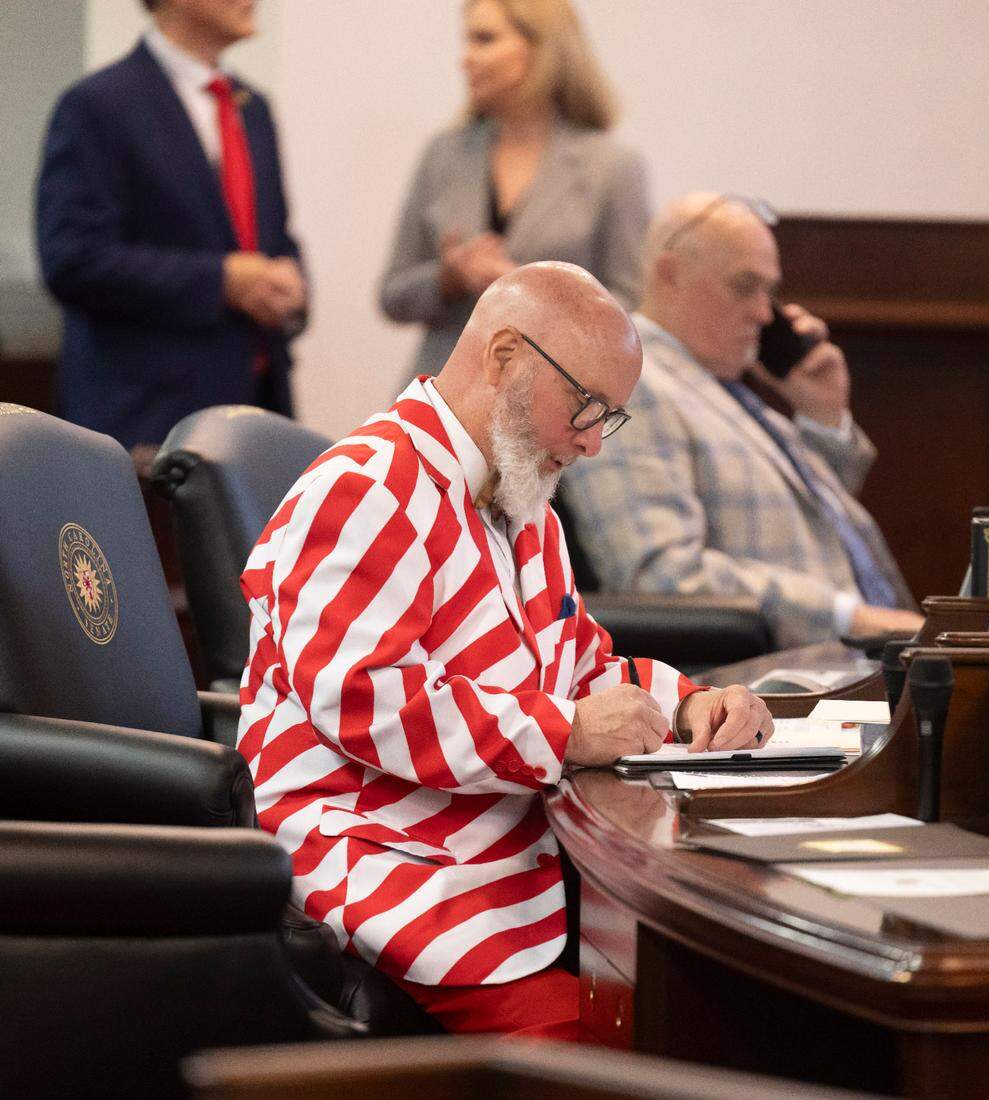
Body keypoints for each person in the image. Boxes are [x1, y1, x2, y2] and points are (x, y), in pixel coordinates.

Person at [238, 262, 773, 1037]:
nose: (592, 443)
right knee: (626, 1054)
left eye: (608, 418)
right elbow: (367, 699)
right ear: (502, 357)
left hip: (502, 865)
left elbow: (581, 669)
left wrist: (693, 704)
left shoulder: (522, 503)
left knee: (710, 1016)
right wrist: (567, 733)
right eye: (585, 406)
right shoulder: (369, 485)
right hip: (388, 867)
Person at [559, 193, 925, 650]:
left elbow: (818, 524)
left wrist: (821, 414)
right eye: (744, 286)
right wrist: (846, 616)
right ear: (670, 274)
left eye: (770, 292)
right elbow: (660, 575)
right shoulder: (636, 386)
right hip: (779, 679)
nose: (765, 313)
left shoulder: (722, 388)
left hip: (853, 663)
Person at [36, 0, 306, 451]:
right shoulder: (98, 105)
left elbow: (272, 237)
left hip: (257, 417)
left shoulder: (253, 108)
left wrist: (293, 285)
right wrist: (222, 281)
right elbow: (73, 258)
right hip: (146, 422)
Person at [379, 0, 650, 383]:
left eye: (484, 39)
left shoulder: (613, 167)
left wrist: (533, 292)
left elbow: (633, 312)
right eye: (468, 41)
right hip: (439, 400)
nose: (466, 59)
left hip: (553, 410)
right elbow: (393, 296)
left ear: (544, 49)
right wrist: (450, 277)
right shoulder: (443, 154)